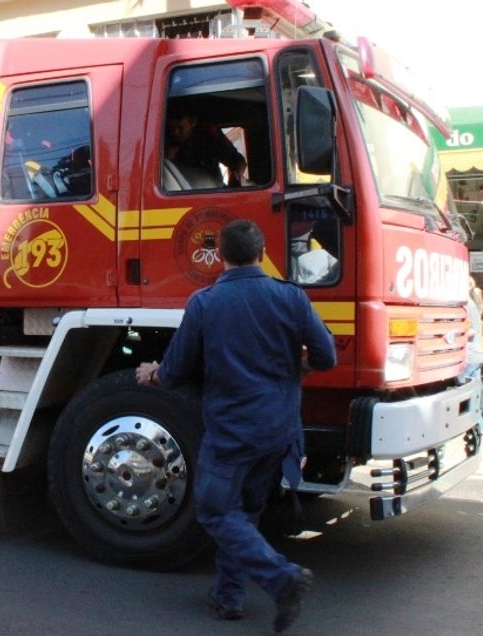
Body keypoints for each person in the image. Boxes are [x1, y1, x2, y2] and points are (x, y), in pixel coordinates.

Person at [135, 219, 336, 633]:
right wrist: (296, 367)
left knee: (213, 510)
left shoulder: (205, 303)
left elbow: (174, 372)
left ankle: (282, 579)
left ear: (220, 256)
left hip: (232, 432)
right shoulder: (291, 297)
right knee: (242, 513)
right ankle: (228, 597)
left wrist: (151, 372)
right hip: (279, 429)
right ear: (262, 254)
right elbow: (326, 356)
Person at [166, 110, 247, 186]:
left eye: (180, 128)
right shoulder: (164, 140)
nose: (175, 132)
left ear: (192, 122)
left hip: (210, 188)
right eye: (172, 128)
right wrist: (167, 161)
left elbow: (238, 161)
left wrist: (235, 177)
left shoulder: (209, 137)